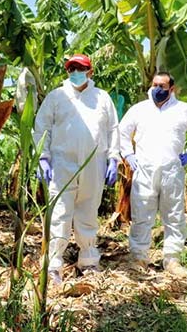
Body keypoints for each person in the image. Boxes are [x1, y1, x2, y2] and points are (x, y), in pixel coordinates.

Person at [33, 54, 120, 285]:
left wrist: (113, 158)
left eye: (80, 68)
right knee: (60, 212)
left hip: (94, 161)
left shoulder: (102, 98)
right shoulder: (56, 97)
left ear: (90, 72)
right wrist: (43, 156)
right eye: (71, 68)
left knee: (88, 210)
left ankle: (89, 260)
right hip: (63, 162)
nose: (75, 72)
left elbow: (113, 129)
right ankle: (53, 265)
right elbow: (42, 126)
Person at [119, 72, 187, 277]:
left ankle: (172, 259)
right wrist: (128, 155)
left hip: (172, 170)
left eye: (163, 86)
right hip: (144, 169)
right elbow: (123, 132)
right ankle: (138, 257)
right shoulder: (139, 110)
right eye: (155, 85)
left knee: (174, 215)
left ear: (172, 89)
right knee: (141, 215)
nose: (158, 89)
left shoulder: (184, 110)